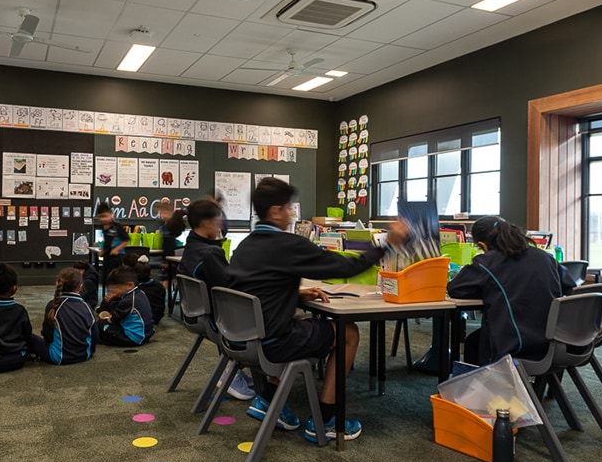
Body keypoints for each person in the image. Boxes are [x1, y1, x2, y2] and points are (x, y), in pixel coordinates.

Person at [229, 177, 409, 443]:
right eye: (289, 208)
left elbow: (256, 286)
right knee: (348, 333)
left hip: (242, 339)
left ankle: (267, 399)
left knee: (304, 322)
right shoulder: (289, 246)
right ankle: (325, 419)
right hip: (272, 343)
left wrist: (294, 292)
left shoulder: (245, 245)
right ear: (276, 210)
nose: (291, 214)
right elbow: (347, 268)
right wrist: (387, 243)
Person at [446, 215, 576, 365]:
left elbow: (456, 288)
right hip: (555, 338)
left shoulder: (487, 262)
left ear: (482, 245)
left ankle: (484, 386)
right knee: (477, 339)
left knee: (473, 343)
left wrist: (488, 290)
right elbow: (568, 285)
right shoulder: (545, 257)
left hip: (515, 342)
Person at [178, 198, 254, 401]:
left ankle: (237, 368)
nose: (221, 225)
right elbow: (230, 287)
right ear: (205, 223)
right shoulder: (210, 253)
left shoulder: (192, 248)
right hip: (220, 319)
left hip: (197, 315)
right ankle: (232, 371)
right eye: (218, 220)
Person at [41, 267, 99, 364]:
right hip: (84, 354)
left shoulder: (52, 305)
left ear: (57, 283)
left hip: (59, 356)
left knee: (31, 338)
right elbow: (95, 334)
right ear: (80, 286)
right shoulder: (87, 306)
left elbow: (47, 333)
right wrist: (91, 350)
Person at [98, 265, 154, 350]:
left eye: (115, 288)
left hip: (133, 337)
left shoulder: (128, 300)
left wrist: (106, 317)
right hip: (147, 333)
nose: (112, 291)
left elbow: (113, 319)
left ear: (129, 285)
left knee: (100, 324)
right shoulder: (139, 293)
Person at [95, 202, 129, 286]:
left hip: (117, 257)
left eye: (105, 216)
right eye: (101, 217)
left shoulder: (117, 226)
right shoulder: (103, 227)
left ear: (111, 214)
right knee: (105, 280)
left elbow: (126, 240)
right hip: (107, 256)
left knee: (114, 280)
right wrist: (103, 251)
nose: (103, 219)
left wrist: (116, 249)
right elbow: (107, 241)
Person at [135, 260, 167, 325]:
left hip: (144, 318)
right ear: (150, 273)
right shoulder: (160, 286)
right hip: (158, 317)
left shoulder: (137, 289)